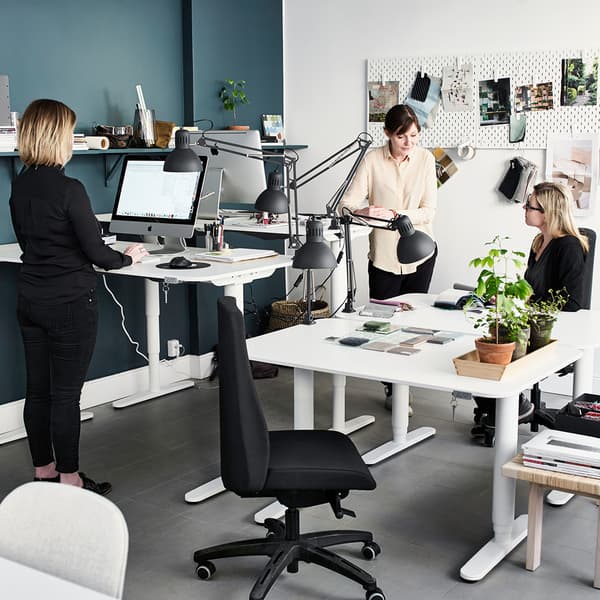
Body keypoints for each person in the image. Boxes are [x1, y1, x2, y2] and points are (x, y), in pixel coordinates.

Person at [9, 99, 149, 494]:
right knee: (66, 396)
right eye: (69, 132)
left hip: (30, 300)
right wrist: (126, 256)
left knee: (38, 392)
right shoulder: (70, 189)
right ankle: (70, 479)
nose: (73, 140)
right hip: (70, 303)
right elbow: (96, 254)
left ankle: (44, 472)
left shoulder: (20, 185)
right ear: (57, 137)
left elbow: (33, 241)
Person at [339, 104, 438, 411]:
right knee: (384, 326)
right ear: (387, 134)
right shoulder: (371, 160)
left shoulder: (426, 160)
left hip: (420, 250)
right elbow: (345, 205)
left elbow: (428, 211)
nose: (409, 142)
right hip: (383, 255)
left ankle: (403, 387)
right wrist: (363, 211)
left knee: (413, 323)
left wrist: (396, 215)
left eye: (414, 136)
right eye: (402, 136)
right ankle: (392, 387)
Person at [472, 181, 589, 440]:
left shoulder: (569, 246)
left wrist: (523, 305)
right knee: (483, 349)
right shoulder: (539, 242)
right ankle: (505, 408)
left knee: (492, 355)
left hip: (549, 330)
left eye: (530, 206)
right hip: (530, 322)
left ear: (547, 213)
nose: (524, 209)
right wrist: (507, 297)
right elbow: (531, 290)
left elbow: (571, 302)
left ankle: (514, 408)